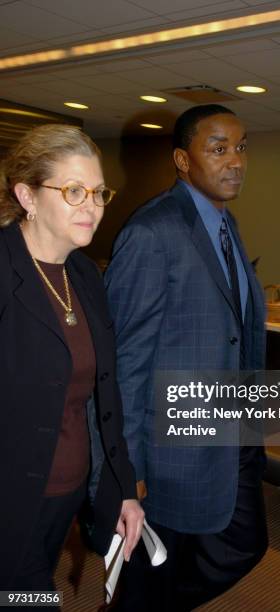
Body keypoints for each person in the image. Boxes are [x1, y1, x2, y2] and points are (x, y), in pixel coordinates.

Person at [105, 104, 268, 611]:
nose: (235, 161)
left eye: (240, 148)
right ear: (181, 159)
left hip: (226, 431)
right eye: (218, 148)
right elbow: (124, 361)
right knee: (152, 572)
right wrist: (125, 466)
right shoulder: (152, 232)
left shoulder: (226, 224)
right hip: (169, 449)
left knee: (240, 543)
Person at [0, 124, 144, 595]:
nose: (93, 206)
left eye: (99, 192)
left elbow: (103, 393)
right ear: (27, 195)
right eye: (74, 190)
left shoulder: (84, 274)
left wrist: (121, 487)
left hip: (66, 494)